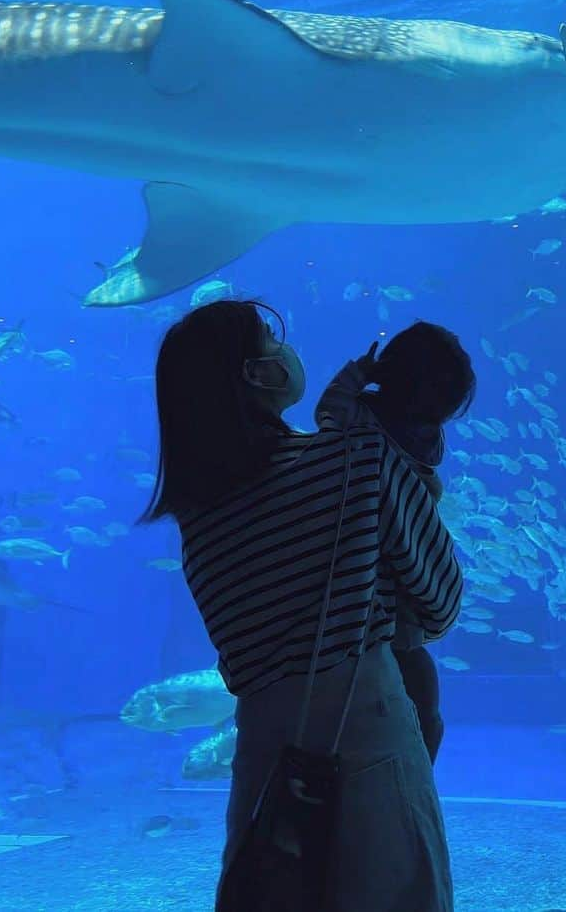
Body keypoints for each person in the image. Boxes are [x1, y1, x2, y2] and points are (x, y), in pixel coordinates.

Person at [141, 299, 463, 912]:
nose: (285, 349)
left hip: (266, 766)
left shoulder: (197, 516)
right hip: (370, 745)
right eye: (270, 338)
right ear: (256, 375)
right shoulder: (356, 460)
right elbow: (441, 601)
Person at [315, 321, 475, 765]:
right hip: (401, 601)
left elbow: (327, 412)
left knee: (407, 693)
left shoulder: (359, 420)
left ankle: (410, 763)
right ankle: (417, 767)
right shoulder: (428, 438)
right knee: (421, 697)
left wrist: (360, 372)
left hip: (362, 596)